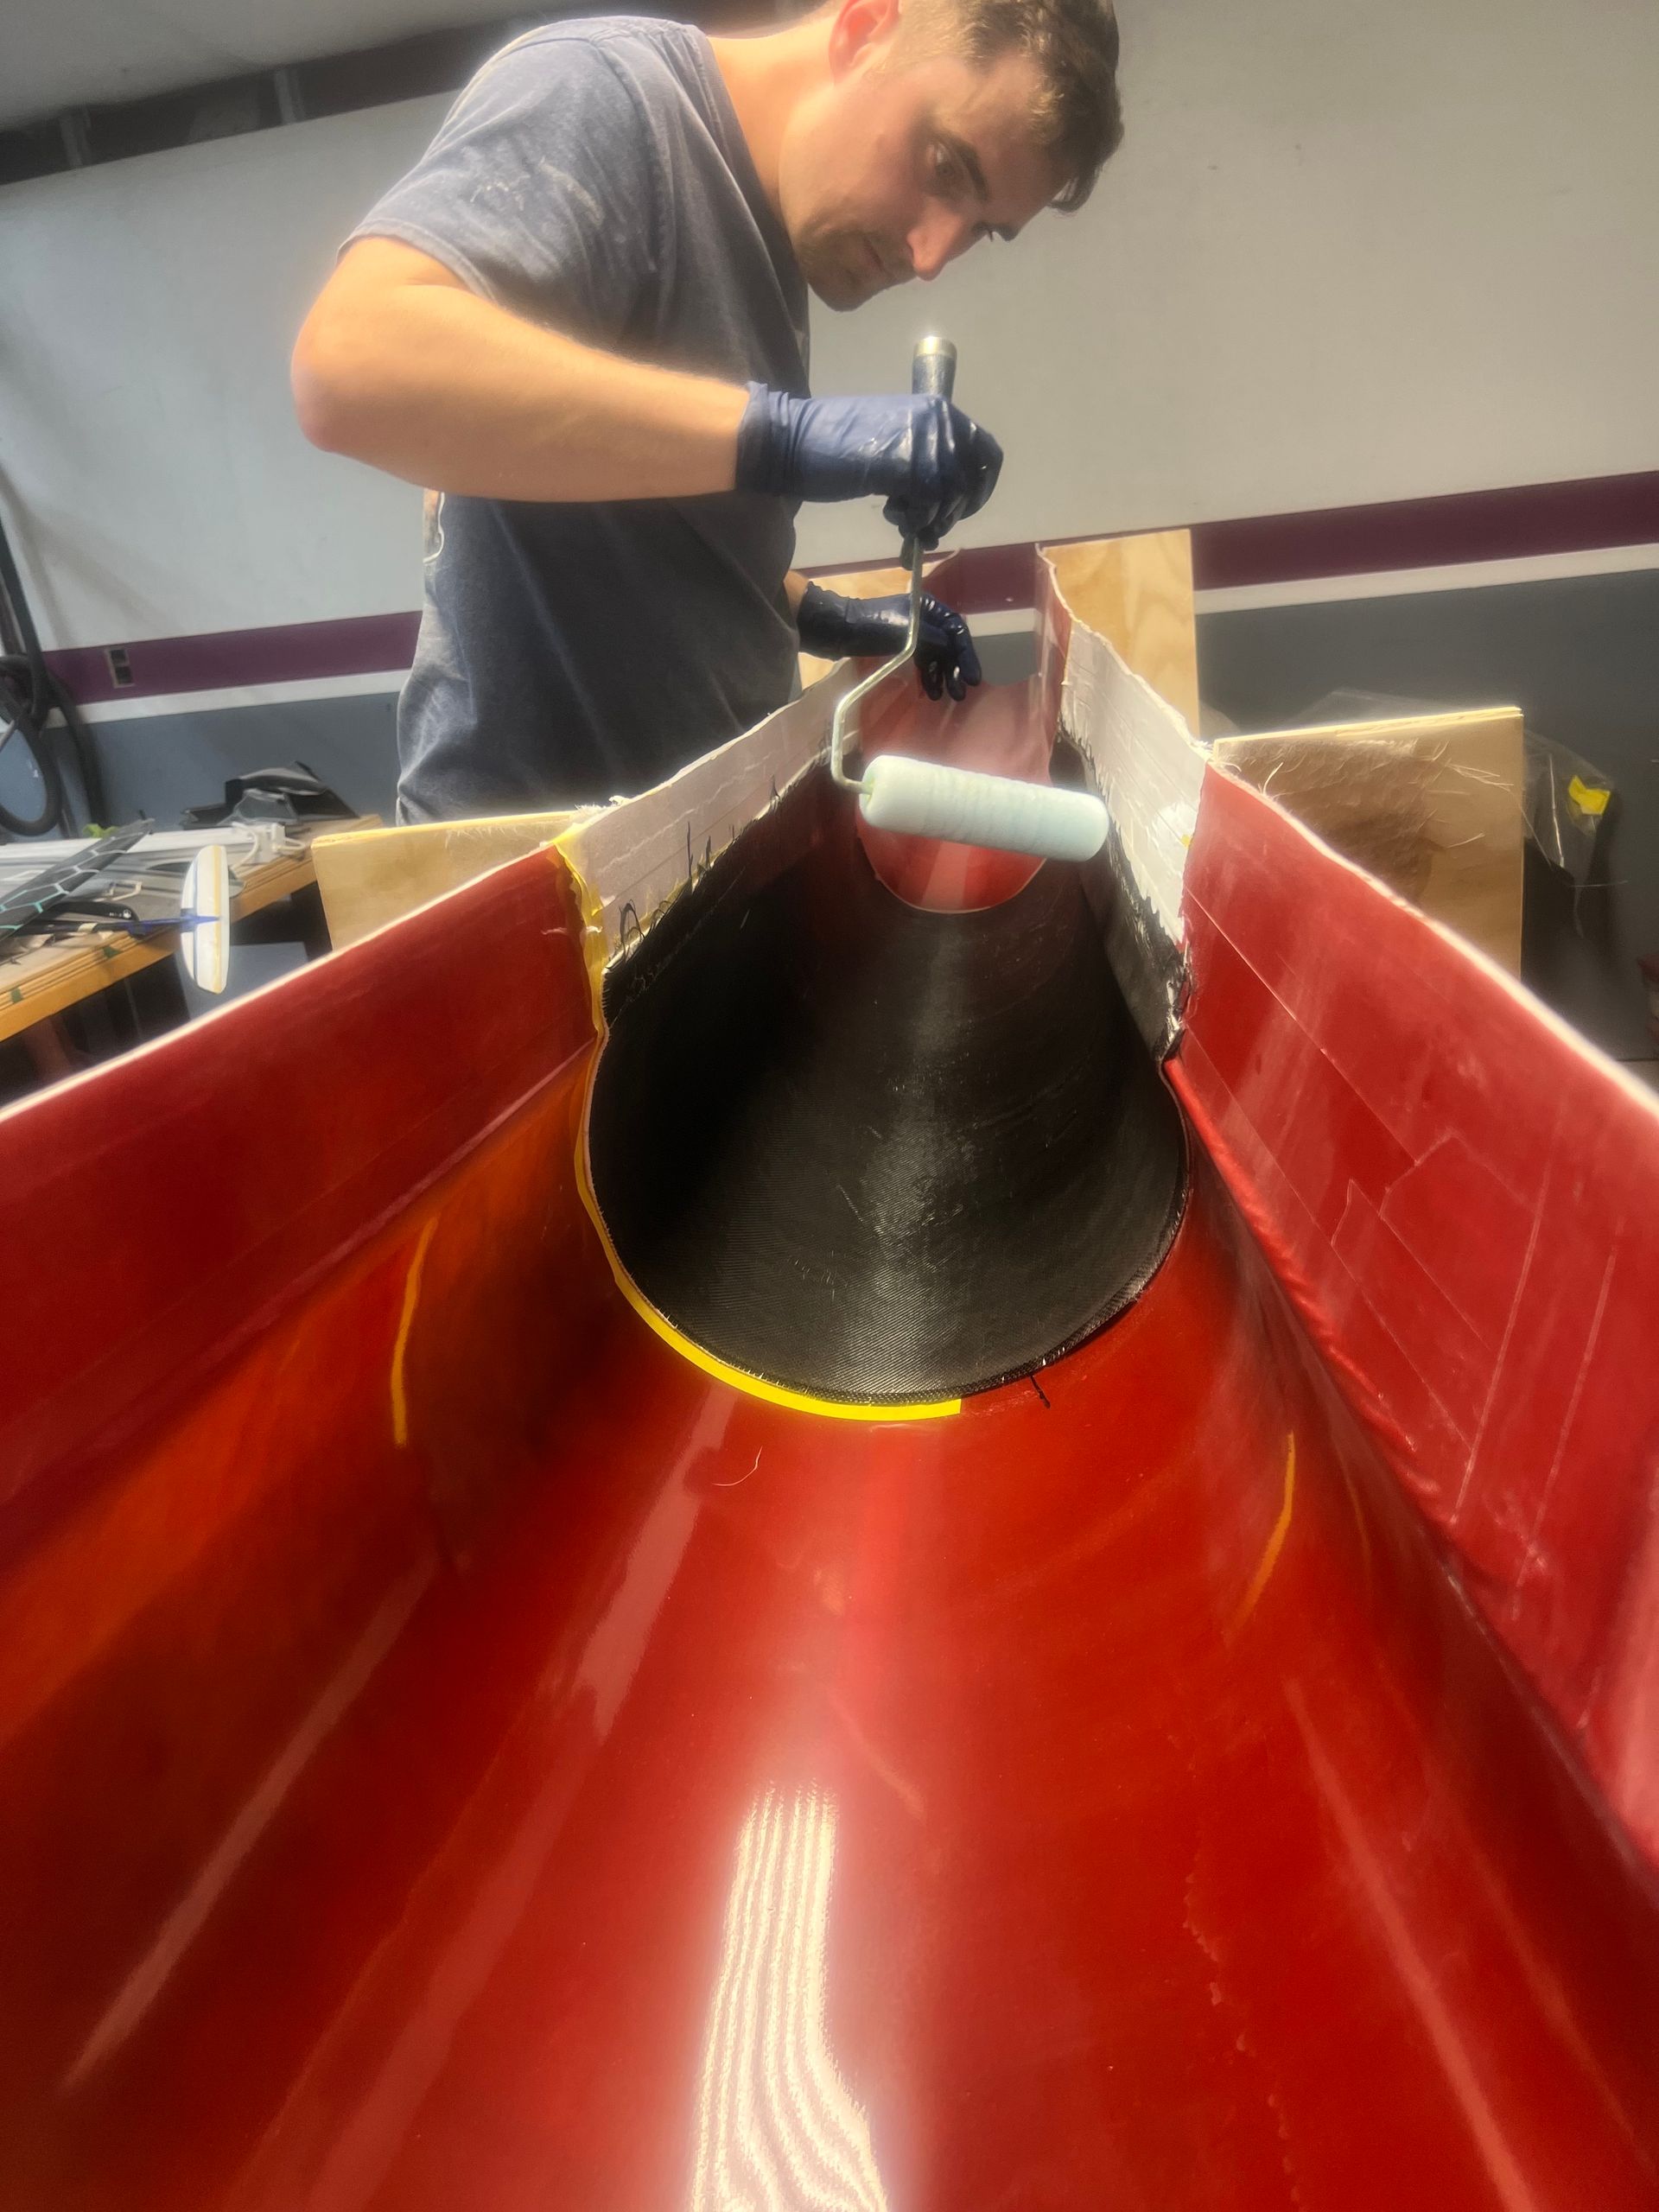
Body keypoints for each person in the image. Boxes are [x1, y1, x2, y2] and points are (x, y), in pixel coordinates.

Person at [292, 0, 1122, 822]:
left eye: (981, 229)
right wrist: (780, 438)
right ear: (864, 30)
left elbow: (646, 528)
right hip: (531, 878)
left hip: (689, 848)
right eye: (945, 165)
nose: (933, 254)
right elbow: (349, 365)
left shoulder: (775, 233)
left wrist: (823, 614)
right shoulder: (609, 95)